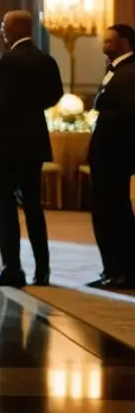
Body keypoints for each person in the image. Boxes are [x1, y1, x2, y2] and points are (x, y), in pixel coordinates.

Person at [0, 11, 63, 288]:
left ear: (15, 29)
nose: (1, 31)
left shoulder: (8, 59)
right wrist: (30, 107)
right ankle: (43, 271)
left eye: (4, 26)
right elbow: (56, 95)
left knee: (5, 204)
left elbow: (0, 102)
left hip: (9, 143)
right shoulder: (46, 59)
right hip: (35, 140)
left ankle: (12, 268)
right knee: (33, 207)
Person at [87, 23, 135, 289]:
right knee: (110, 211)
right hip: (107, 151)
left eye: (109, 41)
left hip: (115, 152)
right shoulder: (116, 69)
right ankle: (114, 269)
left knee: (111, 213)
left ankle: (120, 271)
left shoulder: (129, 72)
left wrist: (102, 107)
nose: (104, 45)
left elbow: (127, 113)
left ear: (125, 42)